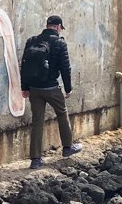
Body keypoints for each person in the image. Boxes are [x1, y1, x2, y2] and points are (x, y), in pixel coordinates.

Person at [20, 15, 81, 168]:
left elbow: (25, 66)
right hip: (51, 88)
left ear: (47, 25)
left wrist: (24, 87)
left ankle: (35, 160)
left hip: (34, 88)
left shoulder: (32, 41)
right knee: (62, 113)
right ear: (58, 27)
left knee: (37, 121)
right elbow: (65, 68)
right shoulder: (59, 43)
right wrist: (68, 88)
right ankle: (68, 147)